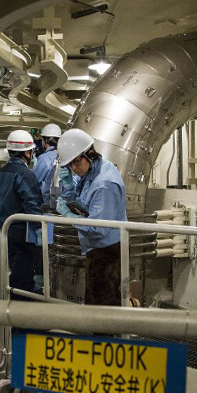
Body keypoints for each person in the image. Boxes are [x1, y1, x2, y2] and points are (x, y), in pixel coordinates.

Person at [56, 129, 127, 306]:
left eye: (76, 162)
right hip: (96, 249)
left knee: (102, 305)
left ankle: (104, 334)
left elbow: (98, 229)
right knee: (97, 300)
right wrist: (68, 188)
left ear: (90, 154)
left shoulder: (104, 184)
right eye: (70, 164)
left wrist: (69, 216)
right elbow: (83, 202)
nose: (74, 168)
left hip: (107, 251)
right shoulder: (92, 171)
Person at [0, 130, 43, 298]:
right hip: (22, 233)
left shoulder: (1, 173)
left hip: (3, 230)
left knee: (12, 270)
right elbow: (32, 204)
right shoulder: (26, 174)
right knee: (23, 276)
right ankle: (19, 318)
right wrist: (40, 229)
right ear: (27, 153)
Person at [33, 123, 62, 207]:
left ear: (45, 140)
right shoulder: (64, 156)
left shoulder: (44, 158)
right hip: (62, 205)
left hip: (46, 205)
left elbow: (34, 181)